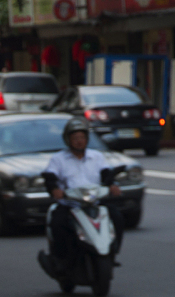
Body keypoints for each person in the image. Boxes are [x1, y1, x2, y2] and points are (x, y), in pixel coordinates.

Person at [37, 117, 126, 278]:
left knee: (117, 217)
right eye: (75, 138)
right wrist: (55, 189)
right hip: (71, 205)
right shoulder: (58, 159)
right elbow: (50, 177)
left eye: (82, 138)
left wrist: (112, 185)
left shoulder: (96, 156)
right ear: (68, 140)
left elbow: (107, 175)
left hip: (94, 203)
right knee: (58, 223)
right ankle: (60, 260)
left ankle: (111, 253)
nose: (79, 141)